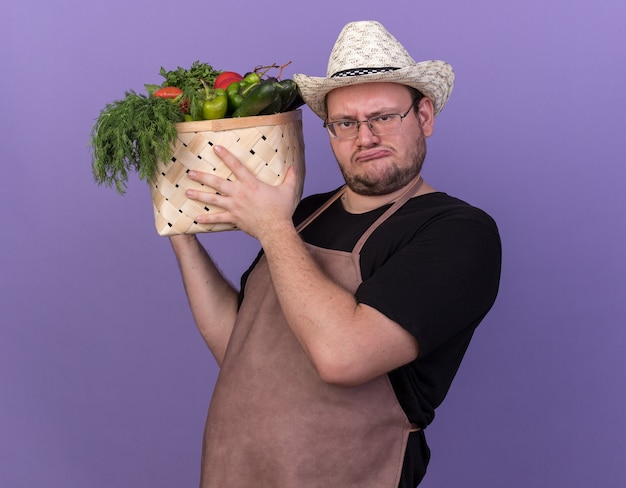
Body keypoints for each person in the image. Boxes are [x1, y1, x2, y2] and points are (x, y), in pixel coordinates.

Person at [169, 20, 502, 488]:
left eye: (384, 117)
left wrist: (271, 227)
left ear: (424, 116)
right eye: (346, 123)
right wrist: (182, 233)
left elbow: (342, 357)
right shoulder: (301, 214)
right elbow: (238, 348)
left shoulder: (457, 233)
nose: (364, 137)